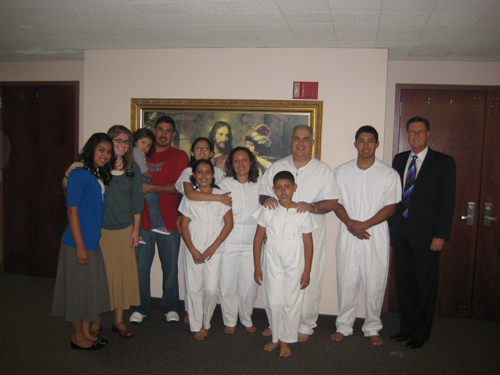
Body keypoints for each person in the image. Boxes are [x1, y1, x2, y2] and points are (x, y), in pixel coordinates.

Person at [259, 125, 339, 341]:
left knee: (306, 281)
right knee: (275, 281)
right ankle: (275, 322)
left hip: (309, 236)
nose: (301, 143)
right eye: (296, 138)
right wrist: (267, 199)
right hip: (279, 238)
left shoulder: (322, 170)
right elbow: (263, 194)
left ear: (312, 142)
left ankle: (305, 324)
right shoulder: (277, 166)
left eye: (305, 139)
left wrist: (311, 207)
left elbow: (332, 202)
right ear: (291, 141)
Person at [330, 126, 401, 345]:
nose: (366, 145)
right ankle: (344, 326)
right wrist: (351, 224)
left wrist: (365, 225)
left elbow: (391, 207)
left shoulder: (388, 173)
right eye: (361, 141)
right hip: (348, 231)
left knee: (375, 281)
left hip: (375, 233)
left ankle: (372, 327)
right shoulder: (342, 171)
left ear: (377, 144)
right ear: (355, 144)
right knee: (347, 279)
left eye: (370, 141)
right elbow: (336, 202)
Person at [389, 116, 456, 349]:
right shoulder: (399, 160)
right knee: (405, 284)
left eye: (420, 132)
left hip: (428, 236)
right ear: (407, 135)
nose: (416, 135)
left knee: (424, 285)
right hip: (401, 232)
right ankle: (406, 328)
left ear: (428, 134)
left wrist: (441, 235)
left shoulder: (443, 162)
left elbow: (447, 203)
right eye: (412, 132)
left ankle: (421, 332)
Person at [52, 133, 113, 350]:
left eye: (108, 151)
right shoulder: (79, 174)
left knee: (88, 290)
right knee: (77, 292)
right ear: (91, 150)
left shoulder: (96, 174)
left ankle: (87, 333)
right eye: (101, 150)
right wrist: (80, 247)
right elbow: (72, 211)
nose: (105, 155)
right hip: (77, 243)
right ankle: (77, 337)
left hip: (91, 241)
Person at [130, 116, 189, 324]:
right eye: (160, 130)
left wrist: (151, 188)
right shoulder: (142, 152)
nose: (163, 134)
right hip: (142, 222)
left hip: (170, 221)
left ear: (173, 134)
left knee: (170, 268)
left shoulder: (179, 155)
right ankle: (140, 307)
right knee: (140, 268)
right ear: (154, 131)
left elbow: (180, 186)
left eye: (168, 131)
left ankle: (170, 307)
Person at [253, 171, 317, 357]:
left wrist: (307, 271)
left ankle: (287, 340)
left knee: (291, 301)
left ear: (294, 188)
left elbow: (308, 243)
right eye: (279, 187)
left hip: (295, 259)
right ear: (273, 189)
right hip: (272, 257)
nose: (283, 191)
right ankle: (276, 338)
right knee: (273, 299)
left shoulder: (302, 212)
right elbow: (258, 237)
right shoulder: (268, 209)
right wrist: (257, 265)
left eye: (287, 186)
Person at [175, 137, 229, 323]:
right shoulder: (187, 172)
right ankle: (194, 316)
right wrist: (218, 198)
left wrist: (221, 197)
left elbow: (228, 220)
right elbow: (190, 194)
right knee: (193, 283)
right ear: (192, 152)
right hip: (193, 233)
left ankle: (205, 318)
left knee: (211, 287)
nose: (202, 151)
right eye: (198, 148)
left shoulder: (221, 174)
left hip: (214, 237)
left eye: (206, 149)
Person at [96, 125, 144, 339]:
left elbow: (137, 201)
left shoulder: (133, 168)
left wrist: (136, 230)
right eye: (118, 140)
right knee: (100, 277)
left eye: (126, 141)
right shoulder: (98, 166)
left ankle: (118, 321)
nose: (123, 145)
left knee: (122, 277)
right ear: (109, 141)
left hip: (125, 229)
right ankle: (95, 320)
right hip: (100, 231)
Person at [218, 147, 261, 334]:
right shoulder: (223, 184)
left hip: (253, 243)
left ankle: (246, 317)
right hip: (229, 241)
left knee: (249, 284)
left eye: (244, 160)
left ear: (251, 162)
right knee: (227, 282)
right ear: (231, 164)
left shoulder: (260, 185)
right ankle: (229, 319)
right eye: (236, 160)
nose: (241, 164)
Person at [132, 128, 169, 237]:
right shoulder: (137, 152)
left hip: (135, 179)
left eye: (148, 145)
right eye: (143, 142)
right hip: (139, 179)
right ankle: (156, 224)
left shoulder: (135, 152)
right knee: (152, 199)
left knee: (136, 205)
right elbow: (143, 170)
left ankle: (137, 232)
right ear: (135, 141)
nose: (145, 147)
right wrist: (151, 176)